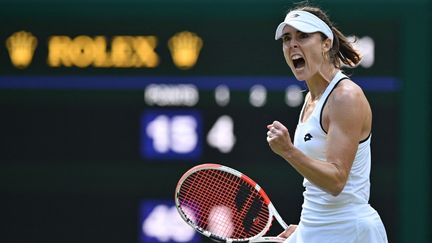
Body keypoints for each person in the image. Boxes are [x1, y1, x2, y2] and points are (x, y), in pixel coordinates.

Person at [266, 5, 388, 243]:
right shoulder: (311, 98)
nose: (292, 44)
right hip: (318, 230)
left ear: (326, 43)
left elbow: (336, 180)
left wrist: (288, 151)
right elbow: (318, 191)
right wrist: (306, 228)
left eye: (303, 36)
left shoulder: (345, 97)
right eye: (287, 38)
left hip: (351, 232)